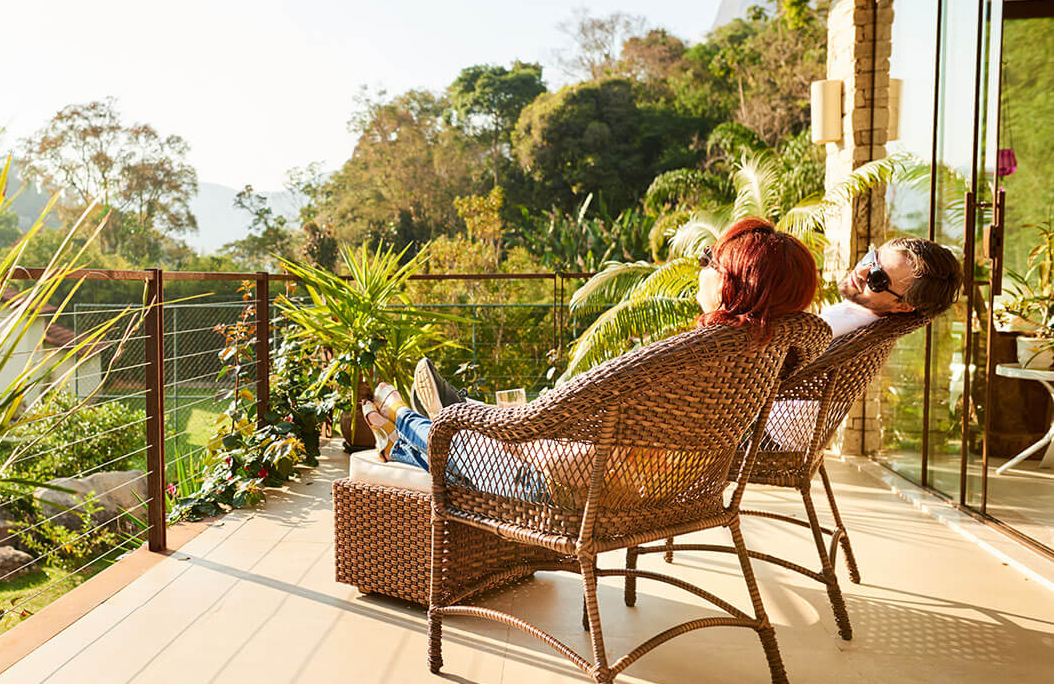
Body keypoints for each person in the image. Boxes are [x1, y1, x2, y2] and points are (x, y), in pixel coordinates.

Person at [362, 217, 820, 471]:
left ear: (733, 284)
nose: (700, 267)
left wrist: (502, 427)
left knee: (452, 438)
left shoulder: (689, 360)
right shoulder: (766, 350)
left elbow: (559, 415)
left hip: (590, 493)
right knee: (472, 436)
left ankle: (404, 417)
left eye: (709, 260)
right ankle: (402, 437)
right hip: (674, 484)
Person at [821, 236, 961, 336]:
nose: (861, 272)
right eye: (871, 259)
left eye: (877, 279)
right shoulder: (857, 317)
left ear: (902, 307)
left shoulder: (832, 328)